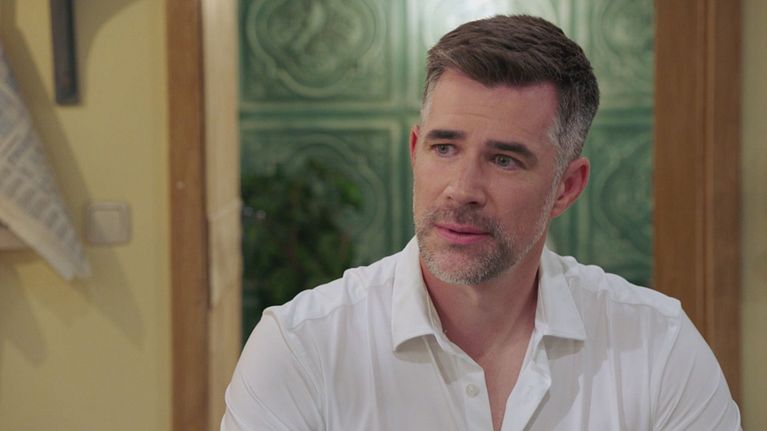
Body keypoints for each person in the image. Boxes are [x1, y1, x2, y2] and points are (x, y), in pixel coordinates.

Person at [221, 15, 741, 431]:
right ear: (415, 150)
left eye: (504, 160)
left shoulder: (658, 348)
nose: (462, 189)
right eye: (444, 148)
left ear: (566, 187)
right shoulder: (301, 350)